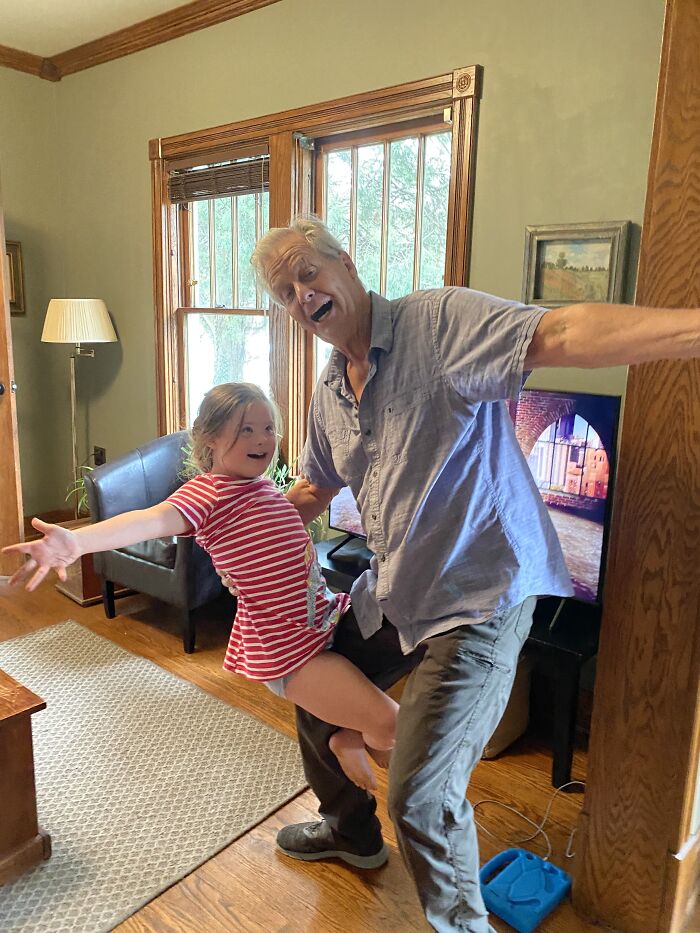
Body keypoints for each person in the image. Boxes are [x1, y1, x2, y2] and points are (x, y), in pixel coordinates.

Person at [241, 216, 700, 933]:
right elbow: (312, 489)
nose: (301, 294)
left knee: (421, 796)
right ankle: (349, 831)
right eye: (283, 290)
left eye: (308, 272)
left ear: (348, 264)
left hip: (481, 596)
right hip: (397, 590)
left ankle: (463, 925)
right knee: (310, 678)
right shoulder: (330, 392)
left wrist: (691, 329)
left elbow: (559, 333)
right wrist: (229, 519)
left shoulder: (437, 321)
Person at [3, 382, 398, 799]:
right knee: (392, 725)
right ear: (210, 437)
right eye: (246, 430)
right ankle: (351, 738)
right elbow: (151, 520)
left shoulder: (258, 487)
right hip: (291, 651)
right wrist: (77, 542)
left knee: (387, 727)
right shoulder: (206, 493)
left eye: (268, 428)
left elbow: (294, 507)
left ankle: (349, 735)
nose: (262, 439)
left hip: (324, 620)